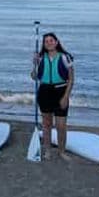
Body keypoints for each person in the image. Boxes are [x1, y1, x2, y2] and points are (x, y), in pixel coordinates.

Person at [31, 32, 74, 160]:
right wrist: (34, 65)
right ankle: (48, 150)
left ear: (56, 42)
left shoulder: (65, 57)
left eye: (51, 40)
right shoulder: (40, 58)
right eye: (46, 41)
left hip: (60, 91)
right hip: (44, 92)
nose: (49, 43)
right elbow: (34, 77)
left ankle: (61, 151)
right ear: (44, 44)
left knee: (61, 125)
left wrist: (66, 96)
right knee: (46, 124)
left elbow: (71, 79)